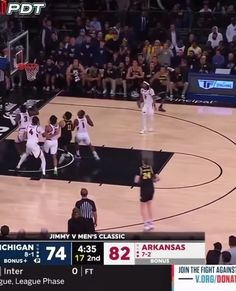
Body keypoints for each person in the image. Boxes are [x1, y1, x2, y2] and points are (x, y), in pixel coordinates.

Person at [134, 158, 160, 231]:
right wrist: (152, 180)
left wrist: (140, 181)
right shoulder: (152, 168)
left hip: (144, 189)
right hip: (151, 188)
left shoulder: (140, 169)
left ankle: (146, 225)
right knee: (149, 205)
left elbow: (136, 180)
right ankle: (152, 223)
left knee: (143, 206)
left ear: (143, 162)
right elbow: (158, 178)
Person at [0, 47, 10, 115]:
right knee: (3, 95)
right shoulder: (5, 61)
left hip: (2, 79)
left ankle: (3, 107)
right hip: (2, 79)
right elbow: (7, 72)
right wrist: (8, 81)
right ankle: (3, 108)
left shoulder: (5, 60)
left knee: (3, 95)